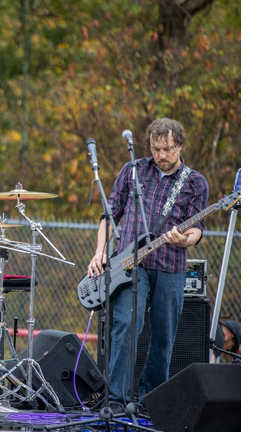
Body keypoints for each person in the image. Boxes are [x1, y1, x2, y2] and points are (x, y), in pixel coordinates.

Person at [86, 118, 209, 408]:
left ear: (180, 145)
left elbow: (197, 229)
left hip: (170, 263)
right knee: (127, 324)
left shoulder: (195, 182)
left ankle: (150, 399)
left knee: (164, 336)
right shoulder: (133, 171)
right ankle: (116, 399)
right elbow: (110, 214)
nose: (161, 155)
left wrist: (185, 239)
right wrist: (99, 252)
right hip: (130, 264)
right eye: (156, 148)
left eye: (167, 149)